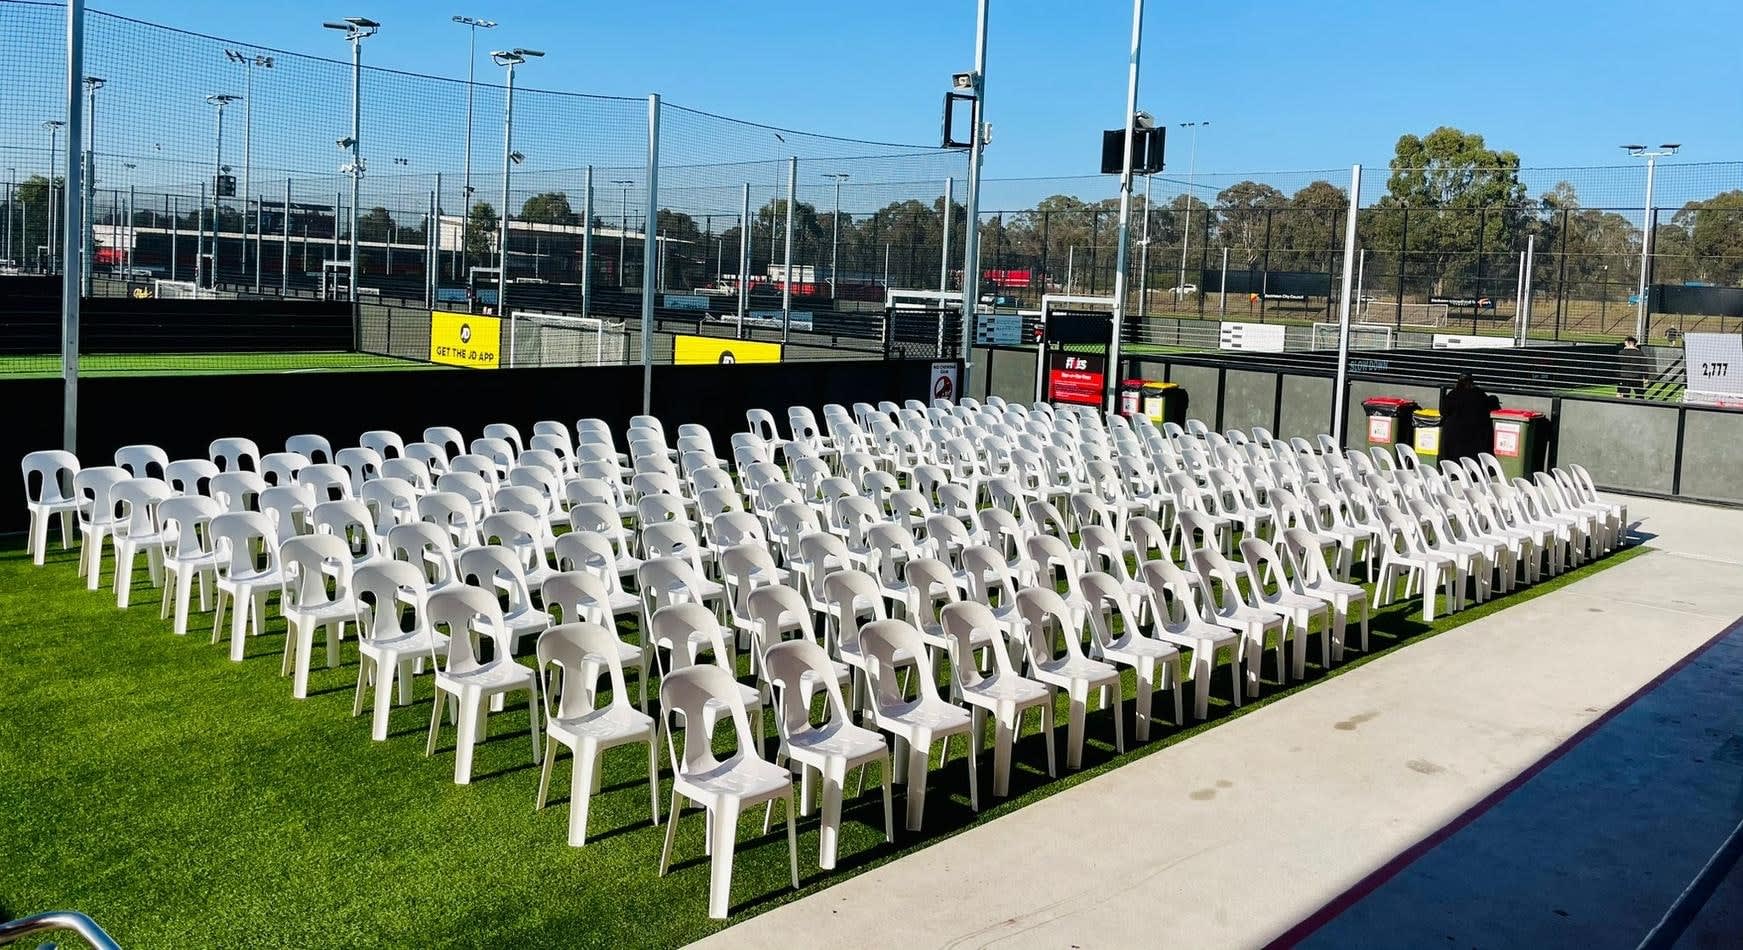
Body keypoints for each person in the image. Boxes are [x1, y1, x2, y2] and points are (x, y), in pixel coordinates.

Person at [1439, 374, 1501, 465]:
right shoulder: (1479, 394)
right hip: (1474, 438)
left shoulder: (1453, 394)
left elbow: (1443, 411)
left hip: (1454, 437)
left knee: (1455, 462)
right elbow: (1491, 403)